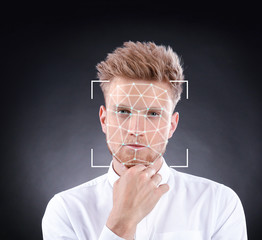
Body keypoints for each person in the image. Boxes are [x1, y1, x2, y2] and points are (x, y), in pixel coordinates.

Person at [42, 41, 248, 240]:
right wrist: (121, 223)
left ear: (171, 126)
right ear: (104, 120)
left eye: (153, 114)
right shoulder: (66, 210)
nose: (136, 130)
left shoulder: (219, 203)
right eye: (123, 111)